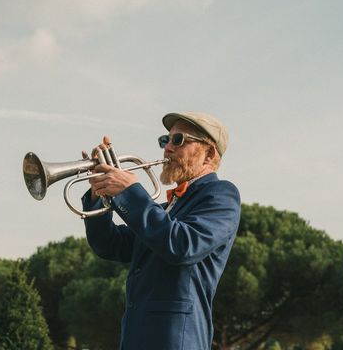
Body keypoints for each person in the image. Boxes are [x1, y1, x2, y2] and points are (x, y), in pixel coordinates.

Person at [82, 111, 241, 350]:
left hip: (176, 341)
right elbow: (108, 244)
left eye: (178, 140)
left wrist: (131, 191)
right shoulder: (164, 210)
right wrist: (98, 193)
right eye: (164, 140)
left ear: (209, 154)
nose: (167, 148)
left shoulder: (221, 194)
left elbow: (183, 245)